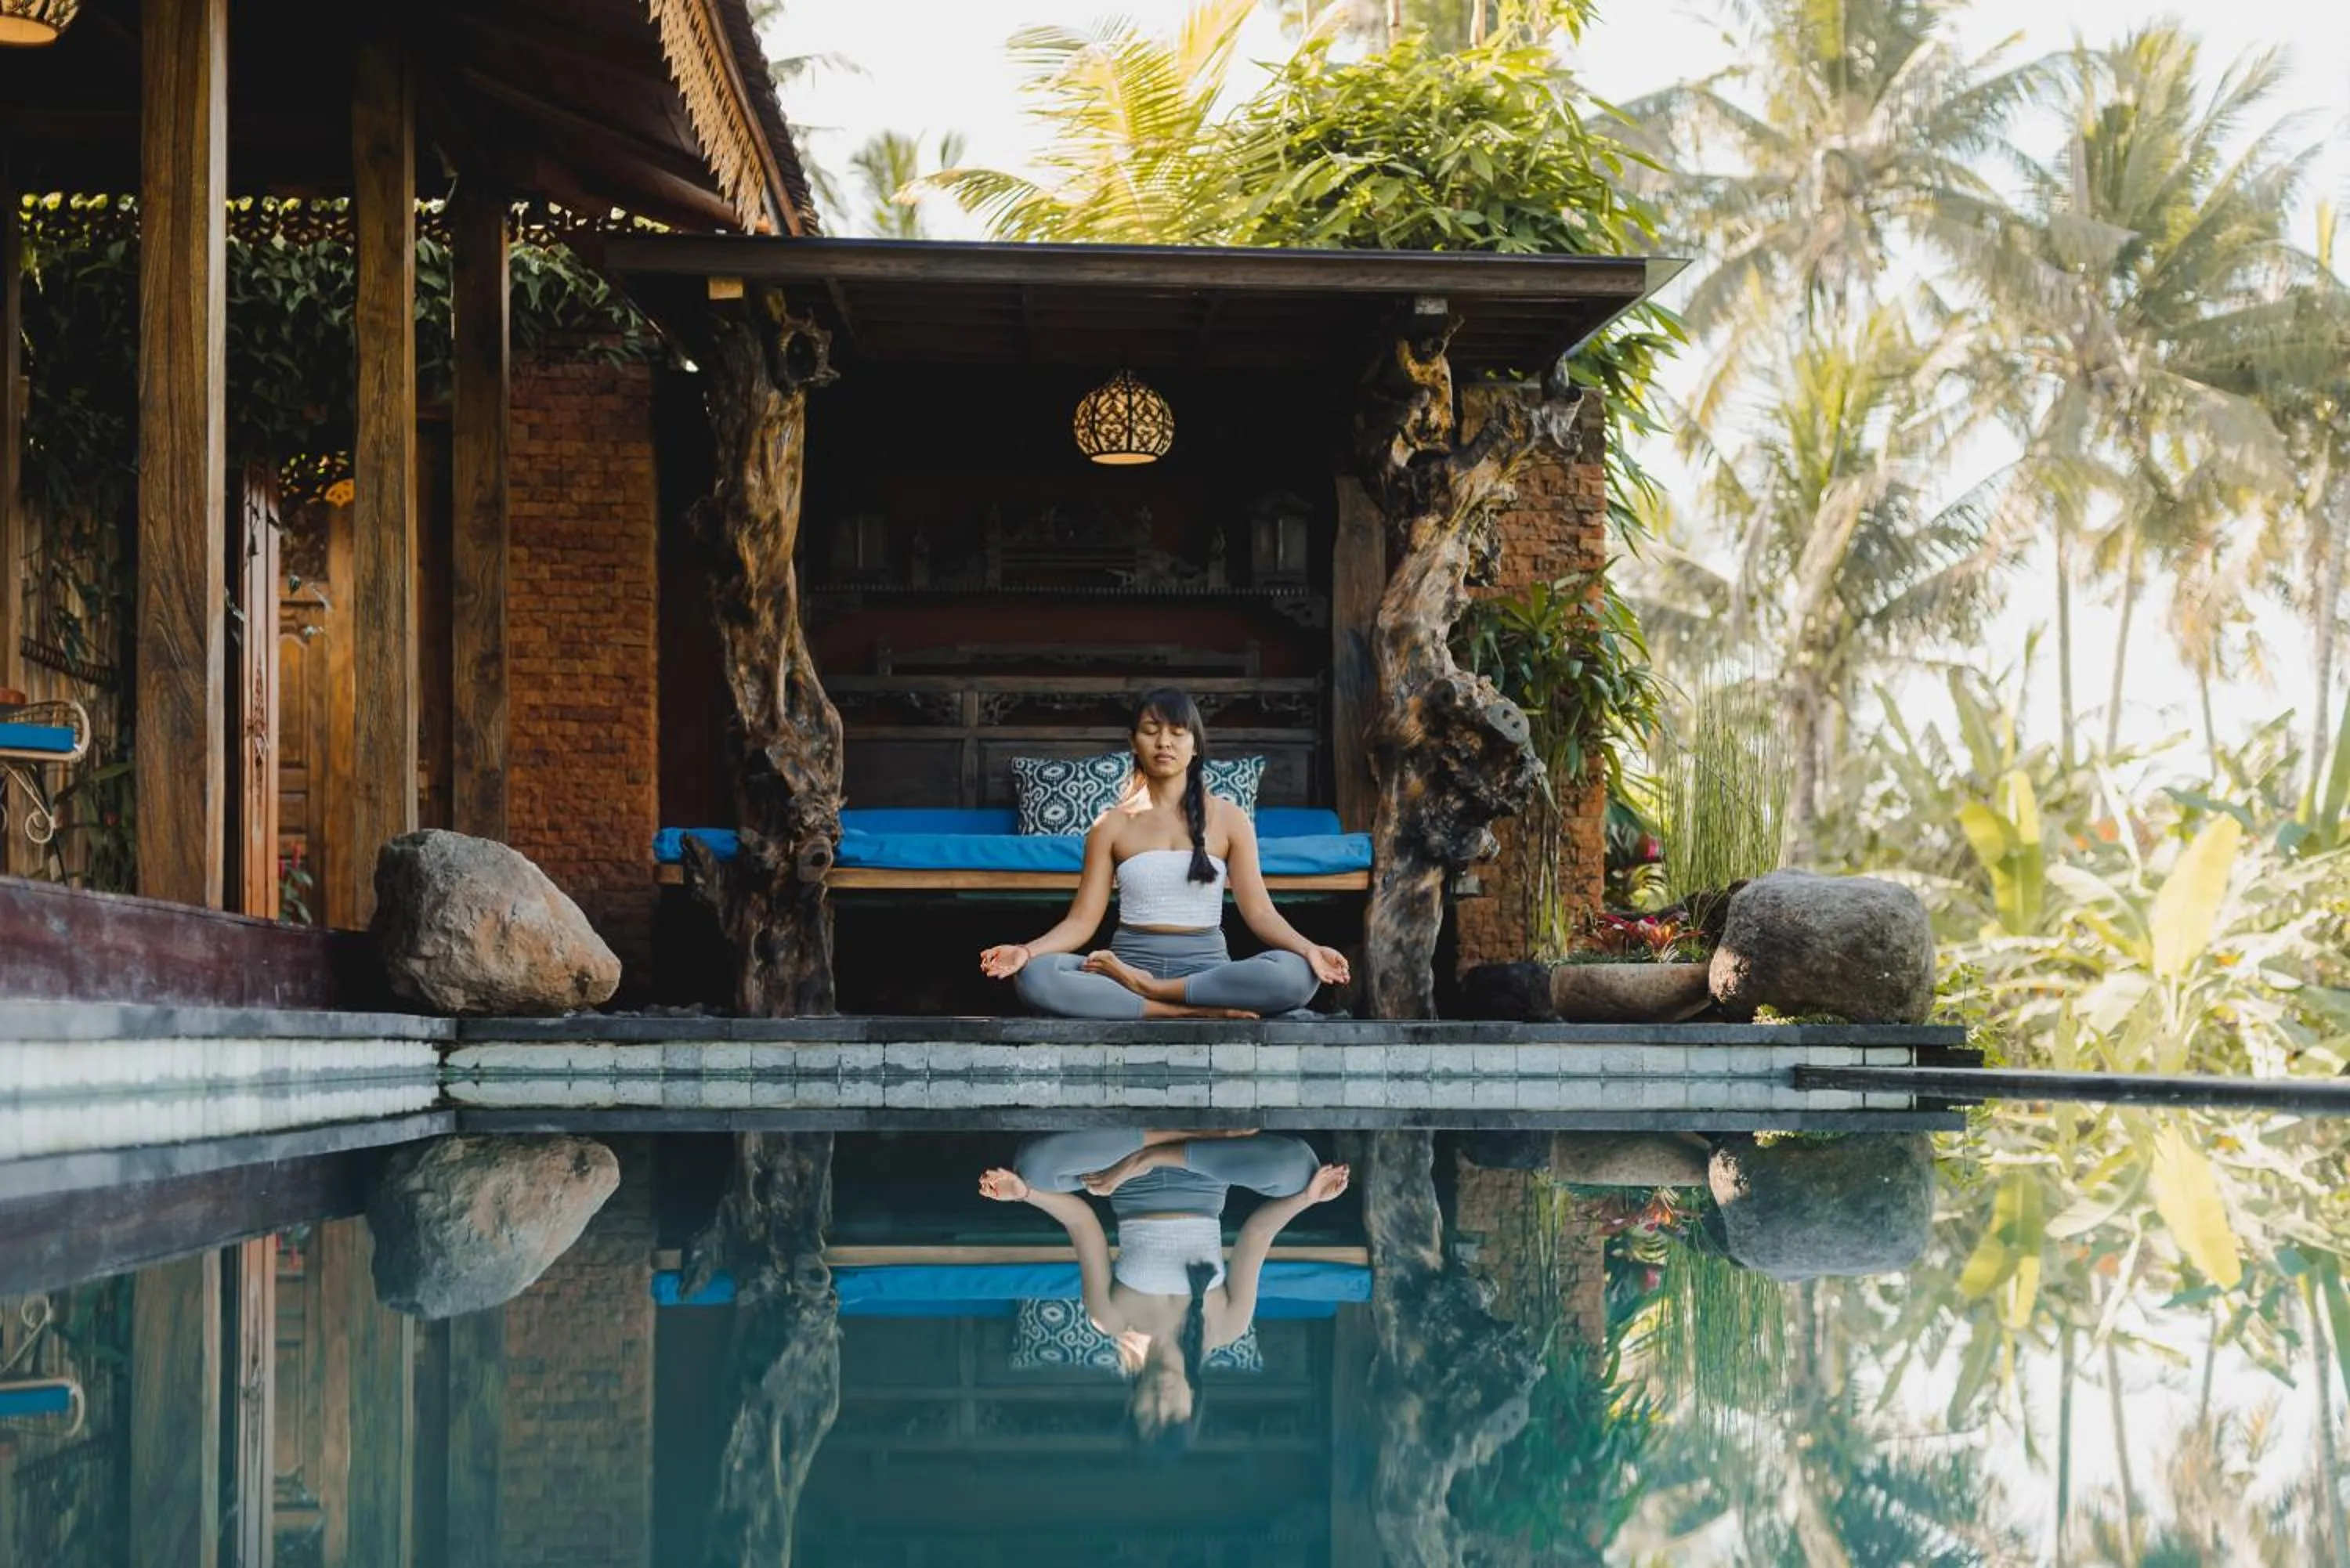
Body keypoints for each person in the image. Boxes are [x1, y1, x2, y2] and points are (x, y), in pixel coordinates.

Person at [979, 688, 1350, 1019]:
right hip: (1123, 967)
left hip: (1207, 973)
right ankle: (1180, 1011)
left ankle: (1152, 994)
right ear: (1133, 742)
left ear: (1196, 745)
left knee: (1298, 975)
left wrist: (1311, 949)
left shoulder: (1230, 818)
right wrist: (1025, 952)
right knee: (1036, 977)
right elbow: (1081, 922)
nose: (1164, 743)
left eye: (1177, 732)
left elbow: (1260, 912)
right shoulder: (1111, 824)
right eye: (1151, 730)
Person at [979, 1129, 1350, 1451]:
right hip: (1203, 1168)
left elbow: (1082, 1223)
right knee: (1299, 1170)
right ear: (1194, 1405)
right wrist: (1309, 1199)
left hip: (1123, 1168)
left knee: (1034, 1167)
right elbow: (1258, 1234)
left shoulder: (1110, 1319)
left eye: (1147, 1414)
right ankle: (1184, 1139)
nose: (1161, 1402)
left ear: (1131, 1405)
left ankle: (1163, 1140)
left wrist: (1024, 1193)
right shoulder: (1227, 1326)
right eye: (1172, 1415)